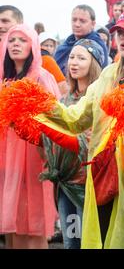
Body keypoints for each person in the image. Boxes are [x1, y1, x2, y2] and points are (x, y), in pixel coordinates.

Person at [36, 6, 124, 249]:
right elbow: (76, 117)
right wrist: (39, 105)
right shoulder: (109, 75)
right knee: (105, 239)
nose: (122, 38)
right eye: (119, 33)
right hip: (103, 174)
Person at [0, 24, 60, 249]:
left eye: (22, 40)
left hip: (33, 154)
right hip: (6, 156)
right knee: (12, 219)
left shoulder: (42, 77)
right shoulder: (4, 78)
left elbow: (55, 118)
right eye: (12, 40)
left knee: (32, 218)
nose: (15, 44)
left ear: (33, 45)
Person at [40, 39, 104, 249]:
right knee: (70, 243)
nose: (74, 63)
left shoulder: (100, 98)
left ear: (94, 63)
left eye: (81, 58)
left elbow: (94, 140)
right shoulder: (64, 100)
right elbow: (51, 140)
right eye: (72, 57)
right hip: (65, 185)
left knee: (89, 243)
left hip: (89, 186)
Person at [54, 5, 108, 75]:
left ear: (93, 24)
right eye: (74, 20)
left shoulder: (97, 46)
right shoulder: (63, 47)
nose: (77, 24)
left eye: (82, 21)